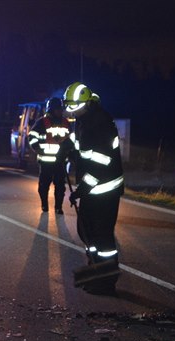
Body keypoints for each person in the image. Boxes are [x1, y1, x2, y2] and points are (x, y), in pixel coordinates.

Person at [64, 82, 124, 295]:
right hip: (91, 189)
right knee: (86, 232)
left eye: (75, 108)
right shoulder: (83, 120)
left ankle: (106, 282)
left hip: (104, 189)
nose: (72, 112)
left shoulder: (100, 124)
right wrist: (67, 147)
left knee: (102, 238)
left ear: (87, 103)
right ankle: (95, 271)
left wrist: (81, 190)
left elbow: (100, 162)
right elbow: (79, 142)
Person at [28, 97, 73, 214]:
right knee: (44, 185)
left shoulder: (66, 123)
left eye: (60, 109)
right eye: (57, 109)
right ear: (51, 109)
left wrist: (70, 151)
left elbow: (71, 140)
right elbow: (32, 136)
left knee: (60, 186)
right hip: (46, 160)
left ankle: (58, 207)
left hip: (61, 161)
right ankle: (44, 204)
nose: (60, 111)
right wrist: (37, 148)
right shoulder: (42, 122)